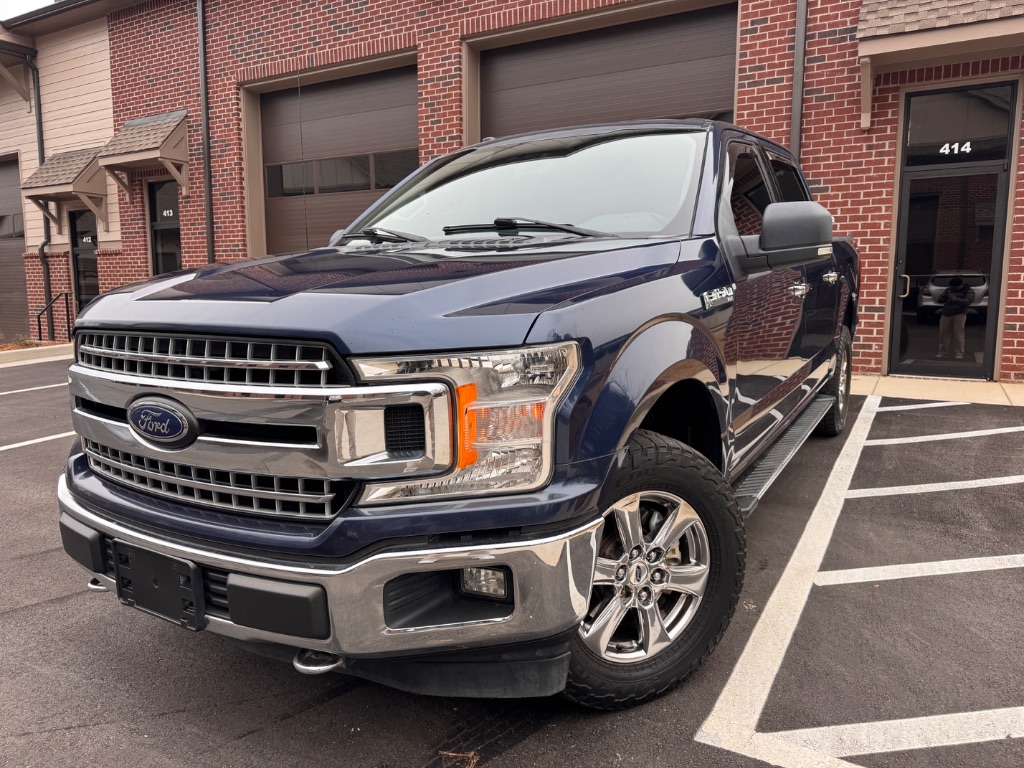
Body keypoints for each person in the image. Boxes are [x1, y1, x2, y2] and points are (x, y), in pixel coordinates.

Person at [936, 276, 974, 359]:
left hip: (959, 313)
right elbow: (939, 300)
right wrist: (943, 296)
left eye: (956, 287)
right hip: (946, 313)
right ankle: (942, 353)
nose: (954, 288)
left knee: (958, 334)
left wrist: (956, 299)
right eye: (952, 287)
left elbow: (967, 302)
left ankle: (959, 353)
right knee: (943, 334)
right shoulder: (949, 289)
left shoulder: (969, 291)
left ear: (961, 285)